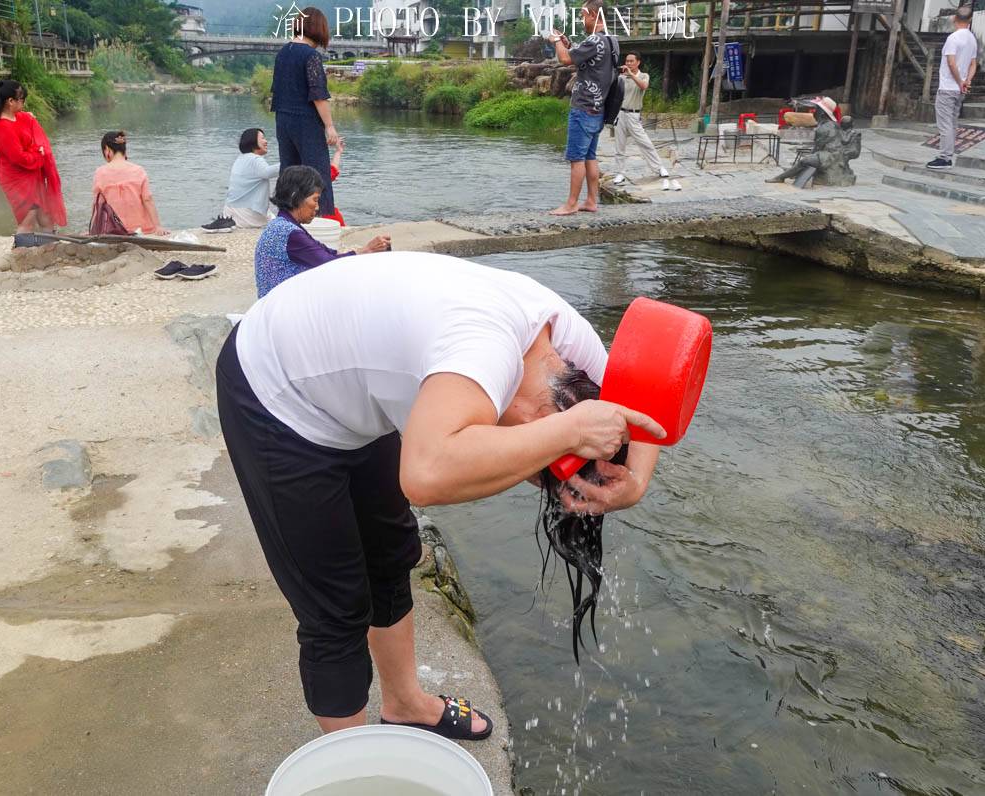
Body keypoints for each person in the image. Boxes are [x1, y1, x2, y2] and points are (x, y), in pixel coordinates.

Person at [215, 252, 666, 738]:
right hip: (276, 391)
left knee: (391, 554)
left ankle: (405, 703)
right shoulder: (482, 354)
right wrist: (560, 437)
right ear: (545, 421)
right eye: (539, 462)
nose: (527, 469)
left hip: (345, 374)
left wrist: (635, 482)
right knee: (335, 604)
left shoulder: (572, 349)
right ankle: (351, 766)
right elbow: (425, 475)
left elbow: (644, 405)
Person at [254, 165, 389, 297]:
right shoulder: (288, 232)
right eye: (315, 200)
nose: (317, 207)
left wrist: (361, 252)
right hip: (280, 306)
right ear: (295, 196)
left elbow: (324, 251)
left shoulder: (283, 224)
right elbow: (329, 264)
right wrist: (366, 250)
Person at [547, 0, 618, 216]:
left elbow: (565, 59)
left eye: (583, 14)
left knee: (576, 158)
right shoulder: (611, 40)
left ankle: (570, 204)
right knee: (590, 156)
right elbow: (586, 60)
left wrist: (557, 41)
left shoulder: (594, 40)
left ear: (594, 15)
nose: (581, 19)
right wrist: (568, 44)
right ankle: (591, 201)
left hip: (584, 106)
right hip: (599, 108)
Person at [271, 7, 338, 219]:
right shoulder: (311, 56)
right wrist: (329, 126)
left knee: (289, 172)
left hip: (283, 119)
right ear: (319, 29)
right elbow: (318, 95)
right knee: (317, 174)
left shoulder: (283, 52)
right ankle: (321, 221)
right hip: (306, 121)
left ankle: (287, 220)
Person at [0, 79, 67, 239]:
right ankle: (21, 253)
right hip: (17, 177)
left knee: (46, 217)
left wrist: (29, 118)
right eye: (22, 99)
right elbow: (19, 158)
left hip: (33, 174)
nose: (24, 103)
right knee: (28, 217)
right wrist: (39, 154)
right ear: (10, 101)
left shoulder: (19, 117)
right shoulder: (2, 127)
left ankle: (50, 246)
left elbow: (29, 122)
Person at [611, 52, 678, 191]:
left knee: (645, 143)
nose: (628, 63)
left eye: (631, 61)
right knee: (619, 146)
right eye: (627, 61)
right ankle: (620, 173)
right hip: (620, 114)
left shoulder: (643, 75)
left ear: (638, 62)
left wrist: (631, 75)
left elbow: (643, 86)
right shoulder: (621, 77)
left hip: (634, 115)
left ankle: (659, 168)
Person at [927, 7, 977, 171]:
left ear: (955, 18)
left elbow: (951, 62)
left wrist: (960, 81)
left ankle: (945, 157)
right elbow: (973, 64)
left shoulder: (953, 38)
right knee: (952, 123)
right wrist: (967, 81)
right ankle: (947, 155)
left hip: (949, 87)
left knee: (945, 124)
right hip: (959, 90)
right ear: (969, 20)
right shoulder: (972, 39)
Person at [90, 131, 167, 236]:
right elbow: (147, 199)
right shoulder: (138, 170)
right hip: (142, 229)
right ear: (124, 150)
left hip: (115, 230)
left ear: (107, 149)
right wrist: (158, 226)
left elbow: (98, 204)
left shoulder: (100, 172)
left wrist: (93, 230)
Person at [203, 128, 280, 233]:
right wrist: (289, 162)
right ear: (252, 141)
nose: (266, 141)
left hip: (231, 211)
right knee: (278, 223)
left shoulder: (240, 159)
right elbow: (267, 172)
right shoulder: (254, 159)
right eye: (262, 138)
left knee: (273, 217)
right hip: (247, 214)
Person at [323, 135, 346, 227]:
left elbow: (333, 169)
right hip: (329, 216)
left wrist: (338, 152)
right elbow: (333, 169)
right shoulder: (321, 179)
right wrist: (338, 152)